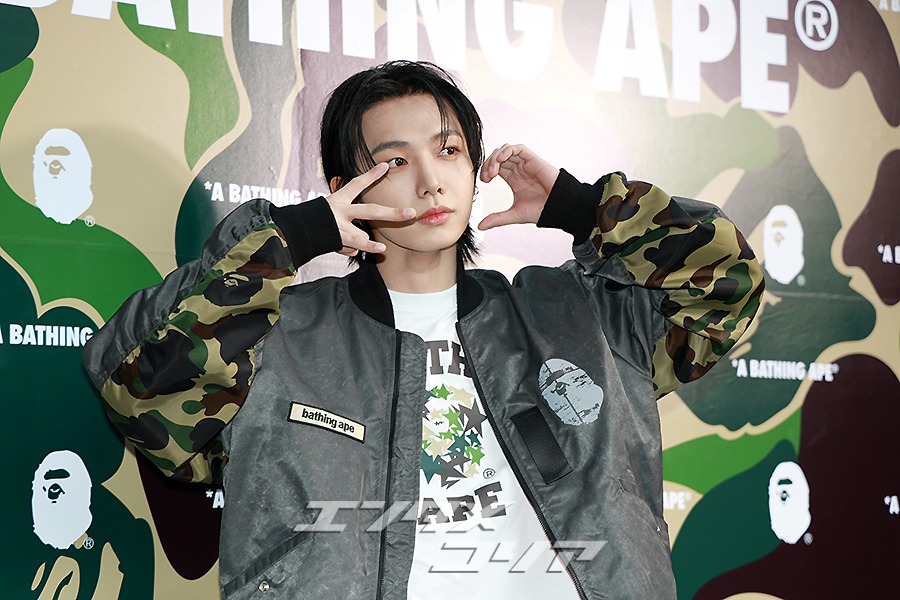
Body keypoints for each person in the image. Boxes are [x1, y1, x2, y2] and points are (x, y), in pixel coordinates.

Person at [83, 61, 764, 599]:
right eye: (396, 161)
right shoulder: (278, 338)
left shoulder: (578, 315)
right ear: (346, 186)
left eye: (449, 150)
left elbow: (728, 282)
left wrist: (584, 207)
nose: (432, 180)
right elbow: (137, 387)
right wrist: (292, 236)